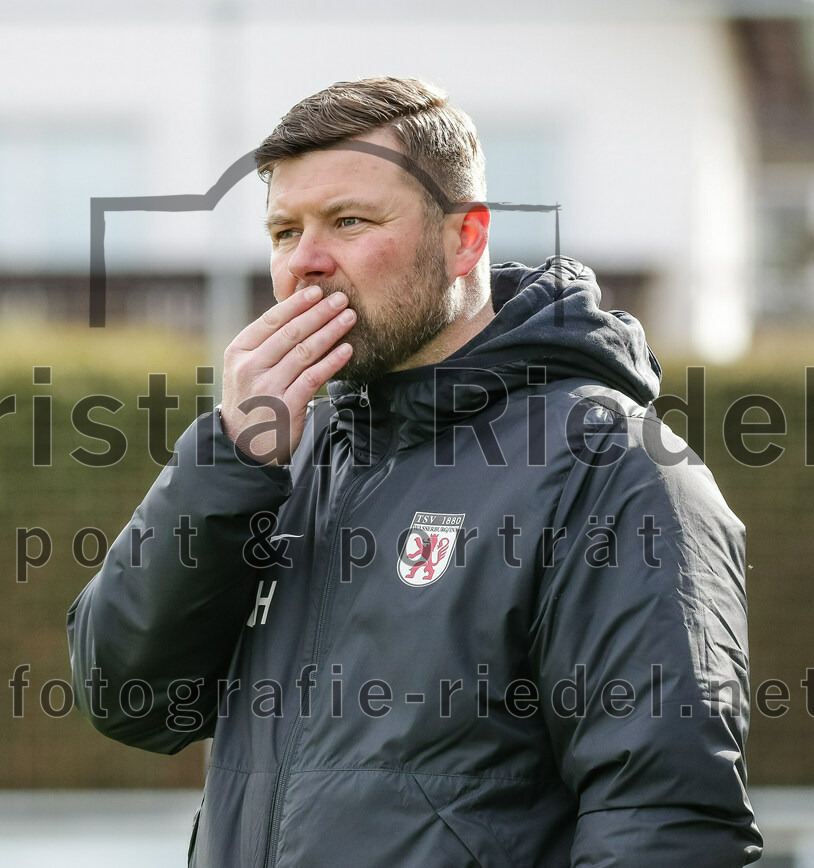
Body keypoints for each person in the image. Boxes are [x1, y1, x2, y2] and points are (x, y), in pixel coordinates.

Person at [68, 77, 763, 866]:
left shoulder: (607, 466)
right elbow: (128, 696)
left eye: (349, 221)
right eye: (284, 231)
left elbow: (664, 824)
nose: (306, 262)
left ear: (464, 238)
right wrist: (228, 459)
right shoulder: (276, 458)